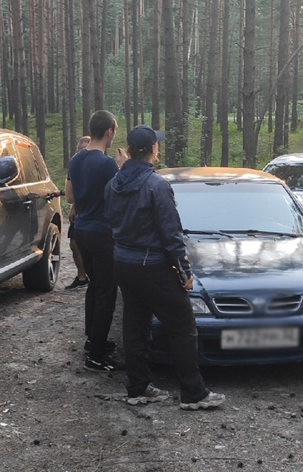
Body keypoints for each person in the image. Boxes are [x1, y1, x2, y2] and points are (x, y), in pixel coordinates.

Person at [105, 125, 225, 410]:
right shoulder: (156, 185)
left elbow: (110, 221)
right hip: (153, 266)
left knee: (135, 324)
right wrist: (184, 272)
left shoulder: (113, 183)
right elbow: (171, 234)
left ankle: (137, 387)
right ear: (152, 150)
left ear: (131, 150)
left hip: (123, 263)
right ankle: (193, 393)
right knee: (183, 326)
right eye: (157, 145)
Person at [67, 110, 127, 371]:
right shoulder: (106, 164)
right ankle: (96, 357)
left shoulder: (77, 158)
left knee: (94, 286)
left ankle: (93, 341)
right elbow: (122, 195)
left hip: (81, 230)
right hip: (102, 233)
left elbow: (69, 197)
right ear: (109, 132)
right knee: (106, 293)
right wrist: (123, 168)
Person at [64, 135, 92, 290]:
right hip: (79, 209)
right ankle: (82, 276)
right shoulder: (75, 165)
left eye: (84, 149)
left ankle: (94, 275)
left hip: (94, 212)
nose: (81, 153)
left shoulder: (100, 163)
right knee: (74, 244)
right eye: (78, 150)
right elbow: (71, 191)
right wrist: (73, 205)